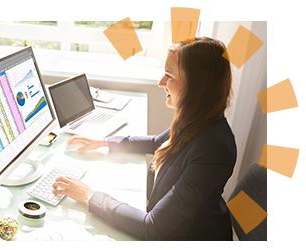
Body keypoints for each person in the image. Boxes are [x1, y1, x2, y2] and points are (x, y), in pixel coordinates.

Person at [52, 37, 237, 241]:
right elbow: (157, 142)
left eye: (169, 76)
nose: (160, 83)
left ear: (197, 86)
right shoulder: (195, 120)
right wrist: (104, 142)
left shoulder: (215, 148)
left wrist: (90, 196)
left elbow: (152, 227)